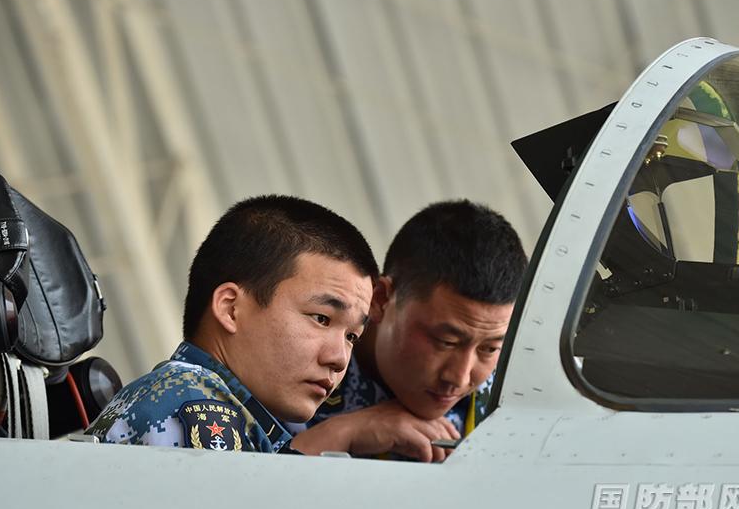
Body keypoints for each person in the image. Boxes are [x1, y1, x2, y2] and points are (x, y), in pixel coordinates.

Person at [85, 195, 378, 453]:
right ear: (230, 308)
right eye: (321, 318)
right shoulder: (194, 403)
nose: (340, 359)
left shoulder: (229, 413)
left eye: (352, 336)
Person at [291, 200, 526, 462]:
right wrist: (344, 432)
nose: (459, 378)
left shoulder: (517, 400)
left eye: (489, 348)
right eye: (445, 341)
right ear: (380, 299)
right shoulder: (303, 365)